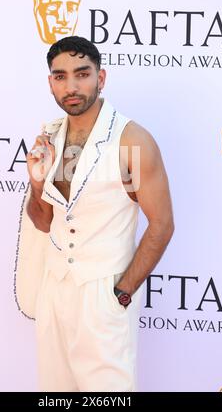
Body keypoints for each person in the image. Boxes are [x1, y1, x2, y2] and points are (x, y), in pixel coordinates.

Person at [19, 36, 174, 392]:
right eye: (60, 76)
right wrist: (37, 183)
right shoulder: (50, 137)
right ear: (50, 83)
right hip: (55, 290)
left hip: (103, 292)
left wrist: (121, 293)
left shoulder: (132, 140)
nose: (71, 86)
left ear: (100, 78)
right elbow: (43, 220)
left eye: (82, 74)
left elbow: (162, 225)